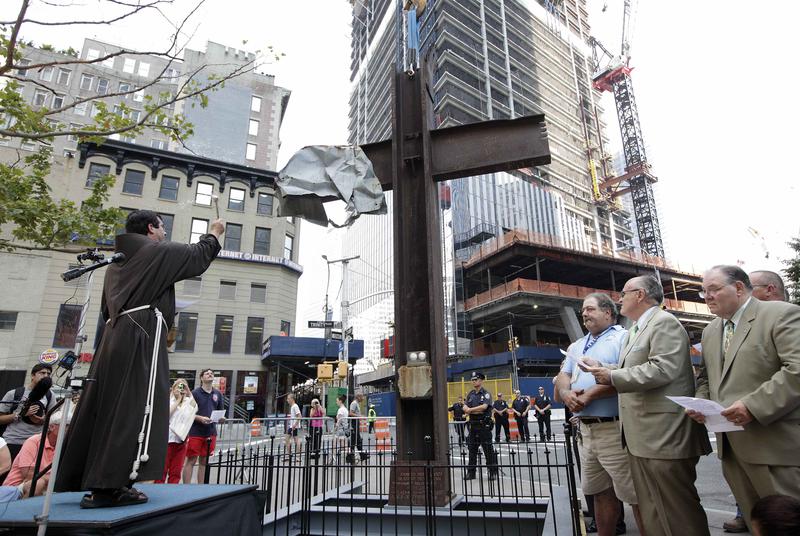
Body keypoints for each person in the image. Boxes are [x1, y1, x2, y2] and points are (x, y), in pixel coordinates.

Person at [55, 210, 223, 507]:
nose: (164, 233)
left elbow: (108, 312)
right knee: (134, 407)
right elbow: (199, 255)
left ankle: (100, 480)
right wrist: (215, 232)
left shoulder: (118, 263)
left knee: (107, 408)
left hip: (114, 337)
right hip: (140, 337)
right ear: (150, 229)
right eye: (162, 228)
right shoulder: (154, 251)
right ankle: (110, 486)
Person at [583, 275, 711, 536]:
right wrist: (604, 369)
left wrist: (612, 377)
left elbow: (663, 369)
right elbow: (631, 368)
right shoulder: (637, 328)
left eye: (624, 293)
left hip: (664, 435)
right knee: (653, 508)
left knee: (677, 510)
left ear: (640, 295)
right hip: (642, 436)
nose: (620, 298)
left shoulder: (664, 323)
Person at [688, 265, 800, 532]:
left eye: (713, 289)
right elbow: (707, 378)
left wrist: (753, 405)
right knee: (756, 524)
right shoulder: (711, 331)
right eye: (704, 291)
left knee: (786, 524)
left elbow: (796, 369)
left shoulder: (780, 314)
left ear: (739, 287)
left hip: (774, 446)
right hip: (733, 449)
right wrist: (700, 403)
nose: (707, 296)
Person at [555, 293, 643, 536]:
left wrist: (590, 395)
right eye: (583, 310)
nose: (584, 314)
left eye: (591, 309)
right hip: (586, 432)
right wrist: (566, 393)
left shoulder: (623, 339)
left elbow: (629, 377)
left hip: (614, 430)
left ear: (608, 313)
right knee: (601, 494)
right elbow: (564, 374)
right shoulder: (577, 344)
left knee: (635, 496)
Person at [723, 270, 788, 533]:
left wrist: (753, 405)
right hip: (737, 439)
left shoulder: (783, 315)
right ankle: (744, 513)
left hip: (776, 439)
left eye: (753, 286)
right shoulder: (723, 327)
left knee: (784, 518)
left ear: (770, 289)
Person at [4, 408, 71, 498]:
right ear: (51, 427)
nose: (69, 429)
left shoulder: (67, 445)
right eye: (66, 425)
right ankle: (24, 510)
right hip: (17, 487)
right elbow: (29, 475)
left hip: (50, 487)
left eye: (71, 426)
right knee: (38, 483)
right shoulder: (34, 441)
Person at [0, 363, 55, 463]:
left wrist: (44, 420)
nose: (46, 376)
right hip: (13, 441)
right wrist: (21, 414)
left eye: (48, 373)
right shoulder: (14, 393)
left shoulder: (50, 395)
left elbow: (53, 419)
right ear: (32, 375)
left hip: (36, 442)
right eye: (42, 373)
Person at [183, 369, 226, 484]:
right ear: (201, 378)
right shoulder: (195, 393)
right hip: (196, 432)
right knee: (191, 460)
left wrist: (222, 419)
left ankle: (201, 487)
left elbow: (220, 412)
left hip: (211, 432)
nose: (210, 374)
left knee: (204, 461)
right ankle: (185, 488)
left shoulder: (217, 394)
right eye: (207, 373)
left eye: (212, 373)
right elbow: (187, 412)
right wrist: (200, 418)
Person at [156, 379, 196, 484]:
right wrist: (178, 400)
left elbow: (195, 407)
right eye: (179, 386)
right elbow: (166, 415)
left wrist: (188, 391)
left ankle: (172, 490)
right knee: (162, 470)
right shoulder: (168, 400)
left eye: (183, 386)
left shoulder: (188, 402)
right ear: (173, 388)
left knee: (176, 471)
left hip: (181, 440)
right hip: (167, 439)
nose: (181, 389)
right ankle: (159, 489)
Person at [463, 371, 497, 481]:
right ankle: (471, 472)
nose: (474, 381)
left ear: (481, 380)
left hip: (483, 425)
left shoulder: (486, 394)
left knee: (488, 449)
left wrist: (470, 410)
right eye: (472, 380)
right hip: (473, 425)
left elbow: (484, 407)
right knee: (472, 449)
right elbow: (464, 406)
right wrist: (471, 410)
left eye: (476, 379)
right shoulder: (470, 394)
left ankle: (492, 472)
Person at [349, 393, 369, 462]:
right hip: (354, 423)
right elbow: (350, 413)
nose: (363, 398)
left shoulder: (356, 403)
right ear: (358, 397)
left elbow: (355, 413)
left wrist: (360, 416)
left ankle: (360, 455)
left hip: (356, 423)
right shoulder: (354, 403)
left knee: (357, 440)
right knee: (355, 440)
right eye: (362, 396)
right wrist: (359, 416)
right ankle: (352, 456)